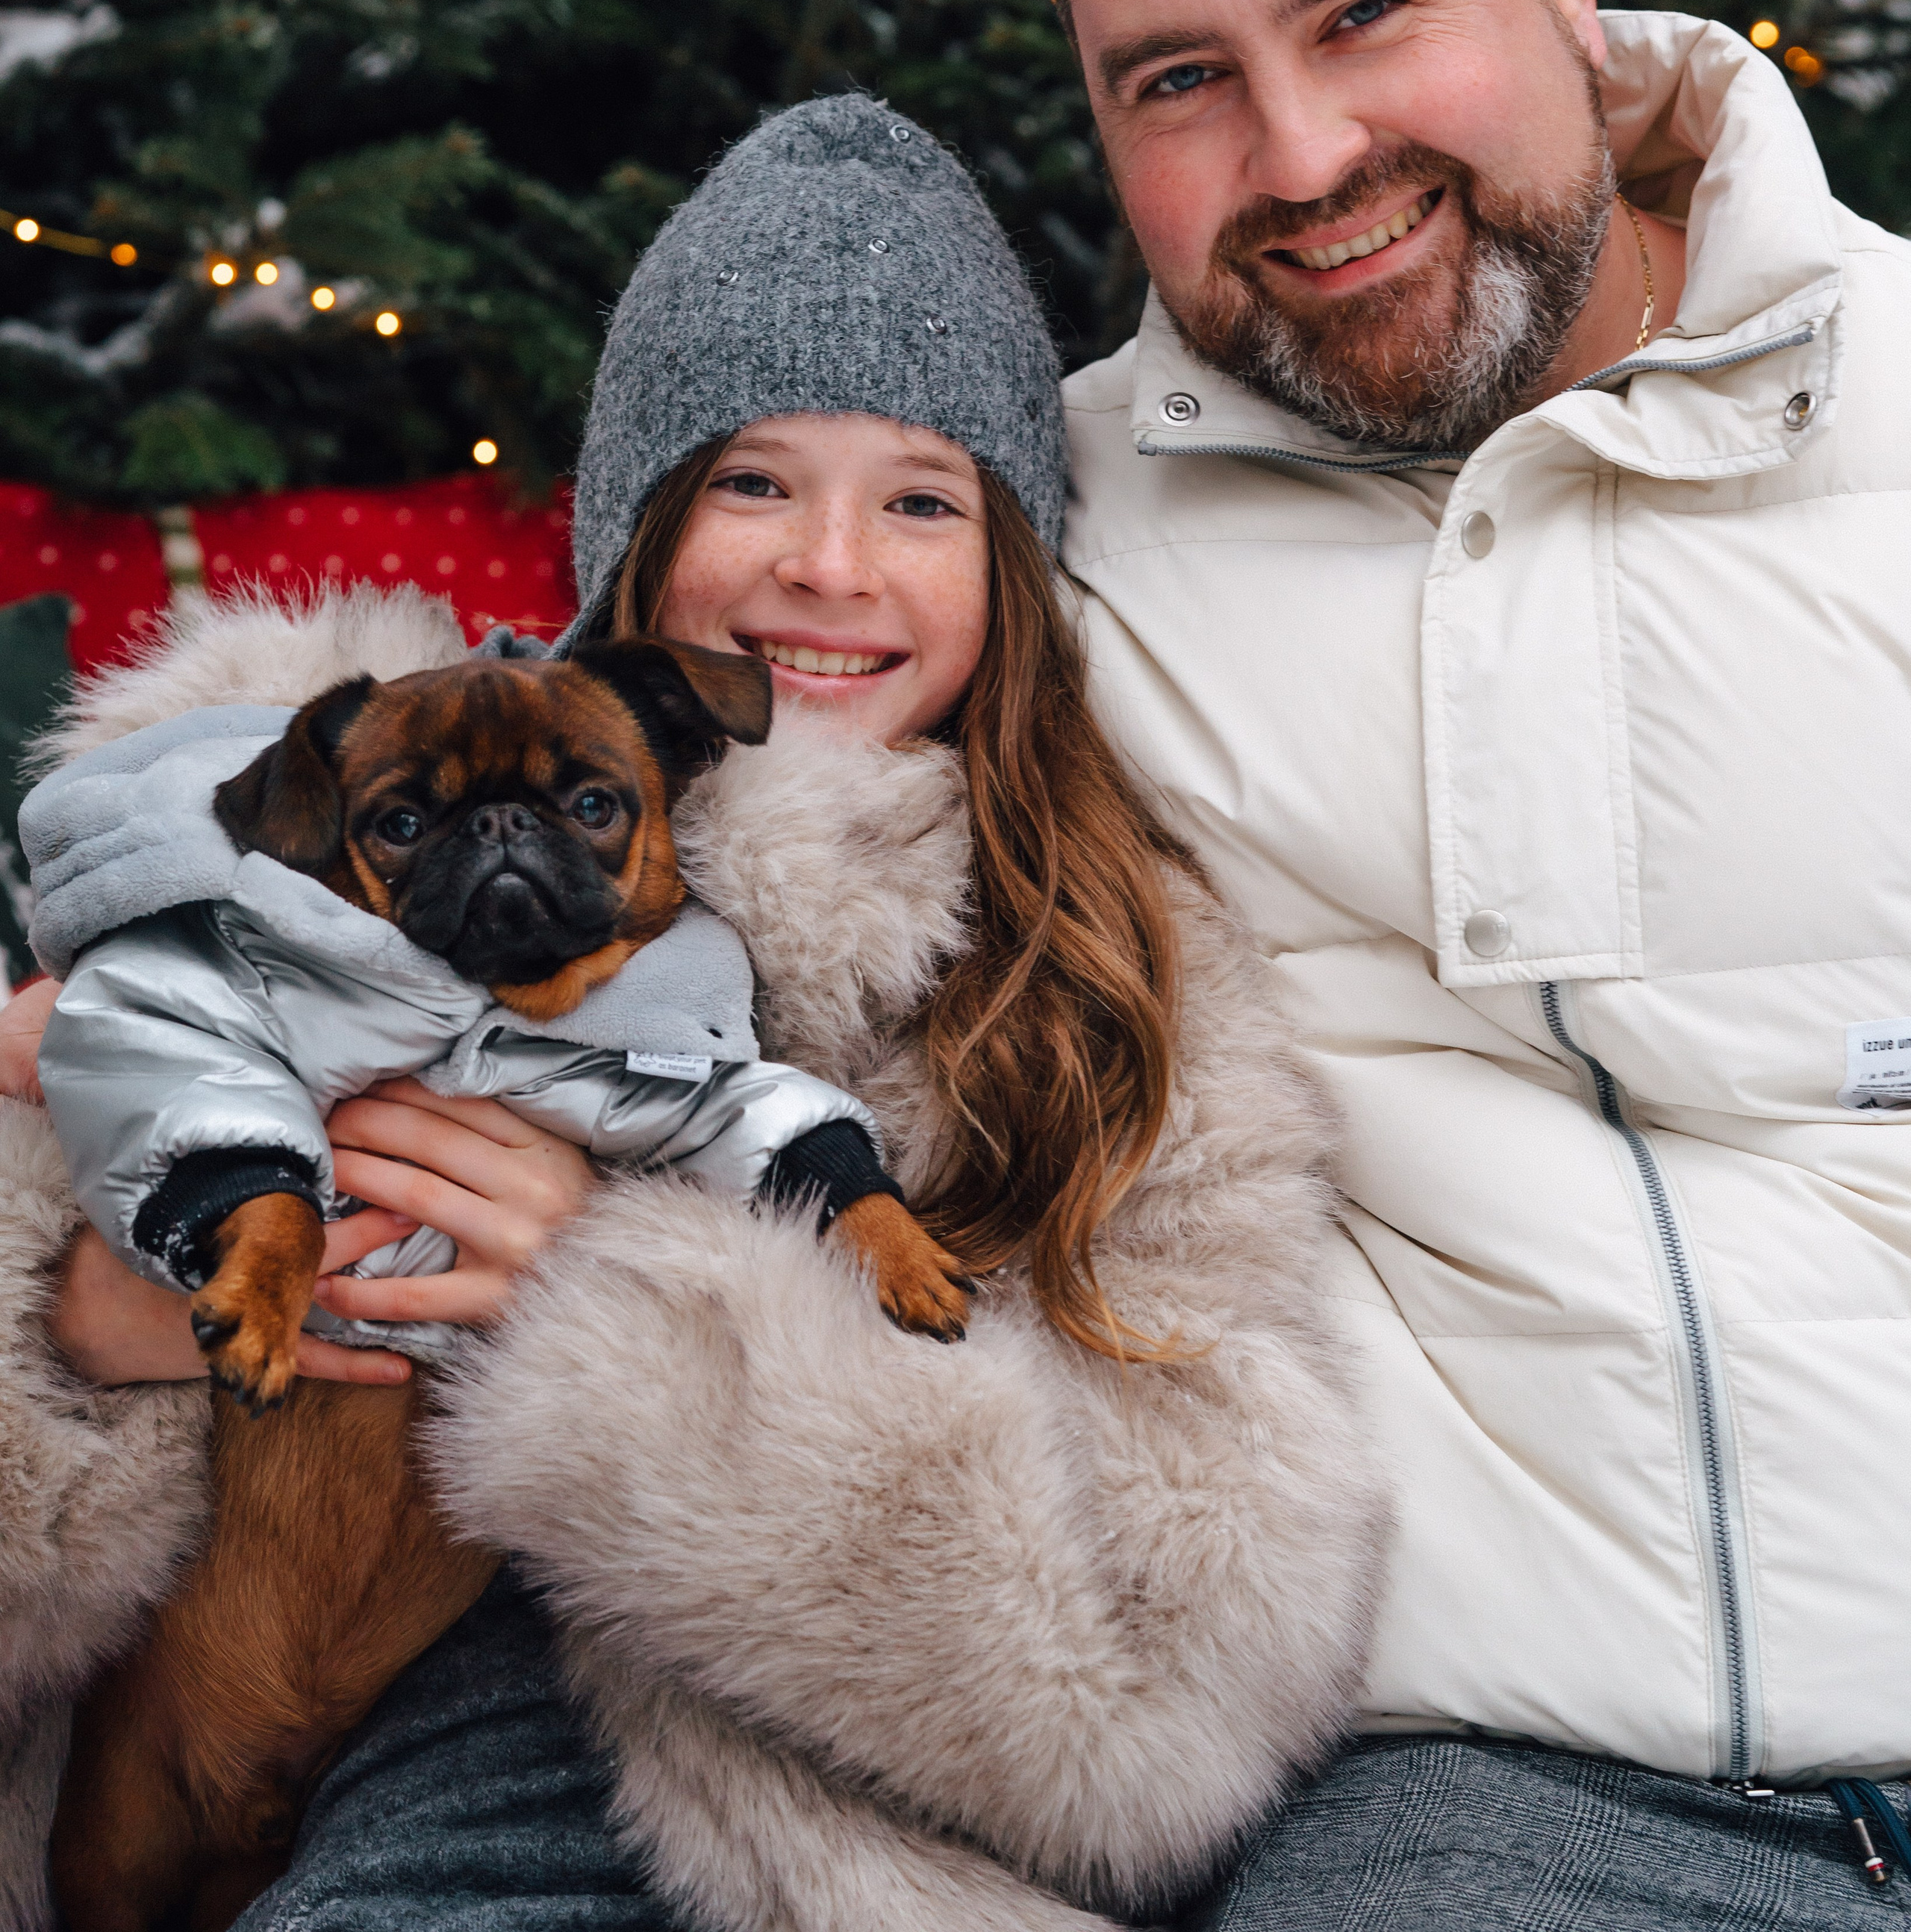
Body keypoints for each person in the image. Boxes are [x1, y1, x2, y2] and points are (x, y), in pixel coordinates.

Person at [0, 93, 1382, 1932]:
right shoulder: (292, 809)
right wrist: (72, 1321)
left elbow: (1162, 1691)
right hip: (200, 1776)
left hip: (783, 1842)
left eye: (919, 498)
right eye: (750, 481)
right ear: (634, 528)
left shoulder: (1109, 986)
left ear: (1015, 565)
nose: (828, 563)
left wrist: (620, 1311)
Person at [1017, 0, 1911, 1929]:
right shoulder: (1042, 554)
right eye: (1177, 81)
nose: (1303, 160)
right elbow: (633, 774)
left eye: (1362, 14)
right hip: (1503, 1800)